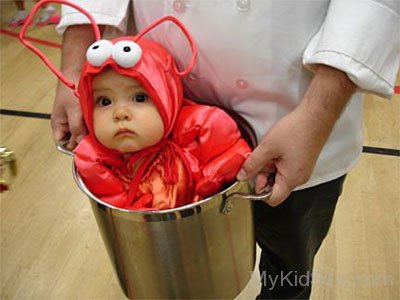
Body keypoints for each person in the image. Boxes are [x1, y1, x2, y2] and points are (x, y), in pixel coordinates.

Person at [52, 0, 400, 298]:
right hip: (156, 94)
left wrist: (318, 112)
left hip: (294, 105)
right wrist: (76, 59)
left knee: (289, 260)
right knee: (182, 265)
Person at [20, 12, 252, 210]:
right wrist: (132, 210)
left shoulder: (198, 126)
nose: (120, 113)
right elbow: (111, 197)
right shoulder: (95, 158)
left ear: (168, 99)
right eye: (104, 102)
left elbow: (233, 149)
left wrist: (214, 175)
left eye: (139, 98)